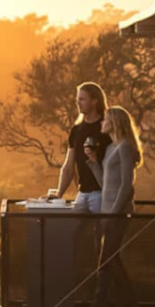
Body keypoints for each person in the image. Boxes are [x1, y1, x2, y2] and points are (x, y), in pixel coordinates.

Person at [81, 105, 144, 307]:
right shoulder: (110, 149)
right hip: (107, 212)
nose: (101, 122)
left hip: (117, 213)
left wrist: (113, 215)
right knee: (110, 259)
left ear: (115, 122)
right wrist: (92, 163)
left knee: (109, 259)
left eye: (105, 119)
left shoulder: (125, 147)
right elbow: (105, 184)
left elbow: (127, 186)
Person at [47, 82, 112, 213]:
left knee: (99, 231)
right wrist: (59, 193)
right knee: (75, 231)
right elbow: (68, 166)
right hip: (82, 192)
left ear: (94, 101)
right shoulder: (77, 130)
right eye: (77, 100)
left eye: (82, 99)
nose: (78, 103)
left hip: (101, 193)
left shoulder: (107, 128)